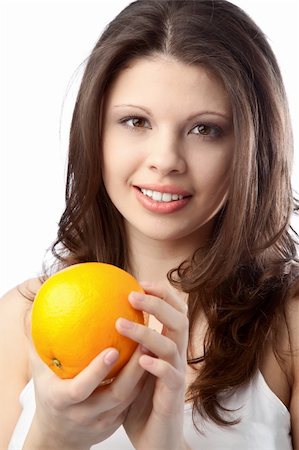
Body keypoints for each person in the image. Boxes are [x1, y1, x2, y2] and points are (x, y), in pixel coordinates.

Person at [1, 0, 298, 448]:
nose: (165, 161)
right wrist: (53, 438)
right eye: (135, 121)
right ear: (95, 131)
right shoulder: (21, 316)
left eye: (205, 129)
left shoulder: (290, 327)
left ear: (254, 148)